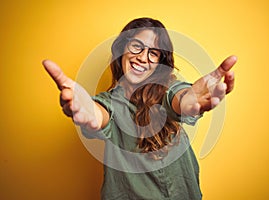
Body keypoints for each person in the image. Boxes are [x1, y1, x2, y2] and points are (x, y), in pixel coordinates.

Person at [43, 17, 236, 200]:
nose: (143, 57)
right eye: (137, 46)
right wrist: (90, 113)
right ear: (121, 50)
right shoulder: (109, 103)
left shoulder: (168, 88)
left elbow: (177, 97)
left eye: (153, 53)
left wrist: (186, 102)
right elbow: (101, 113)